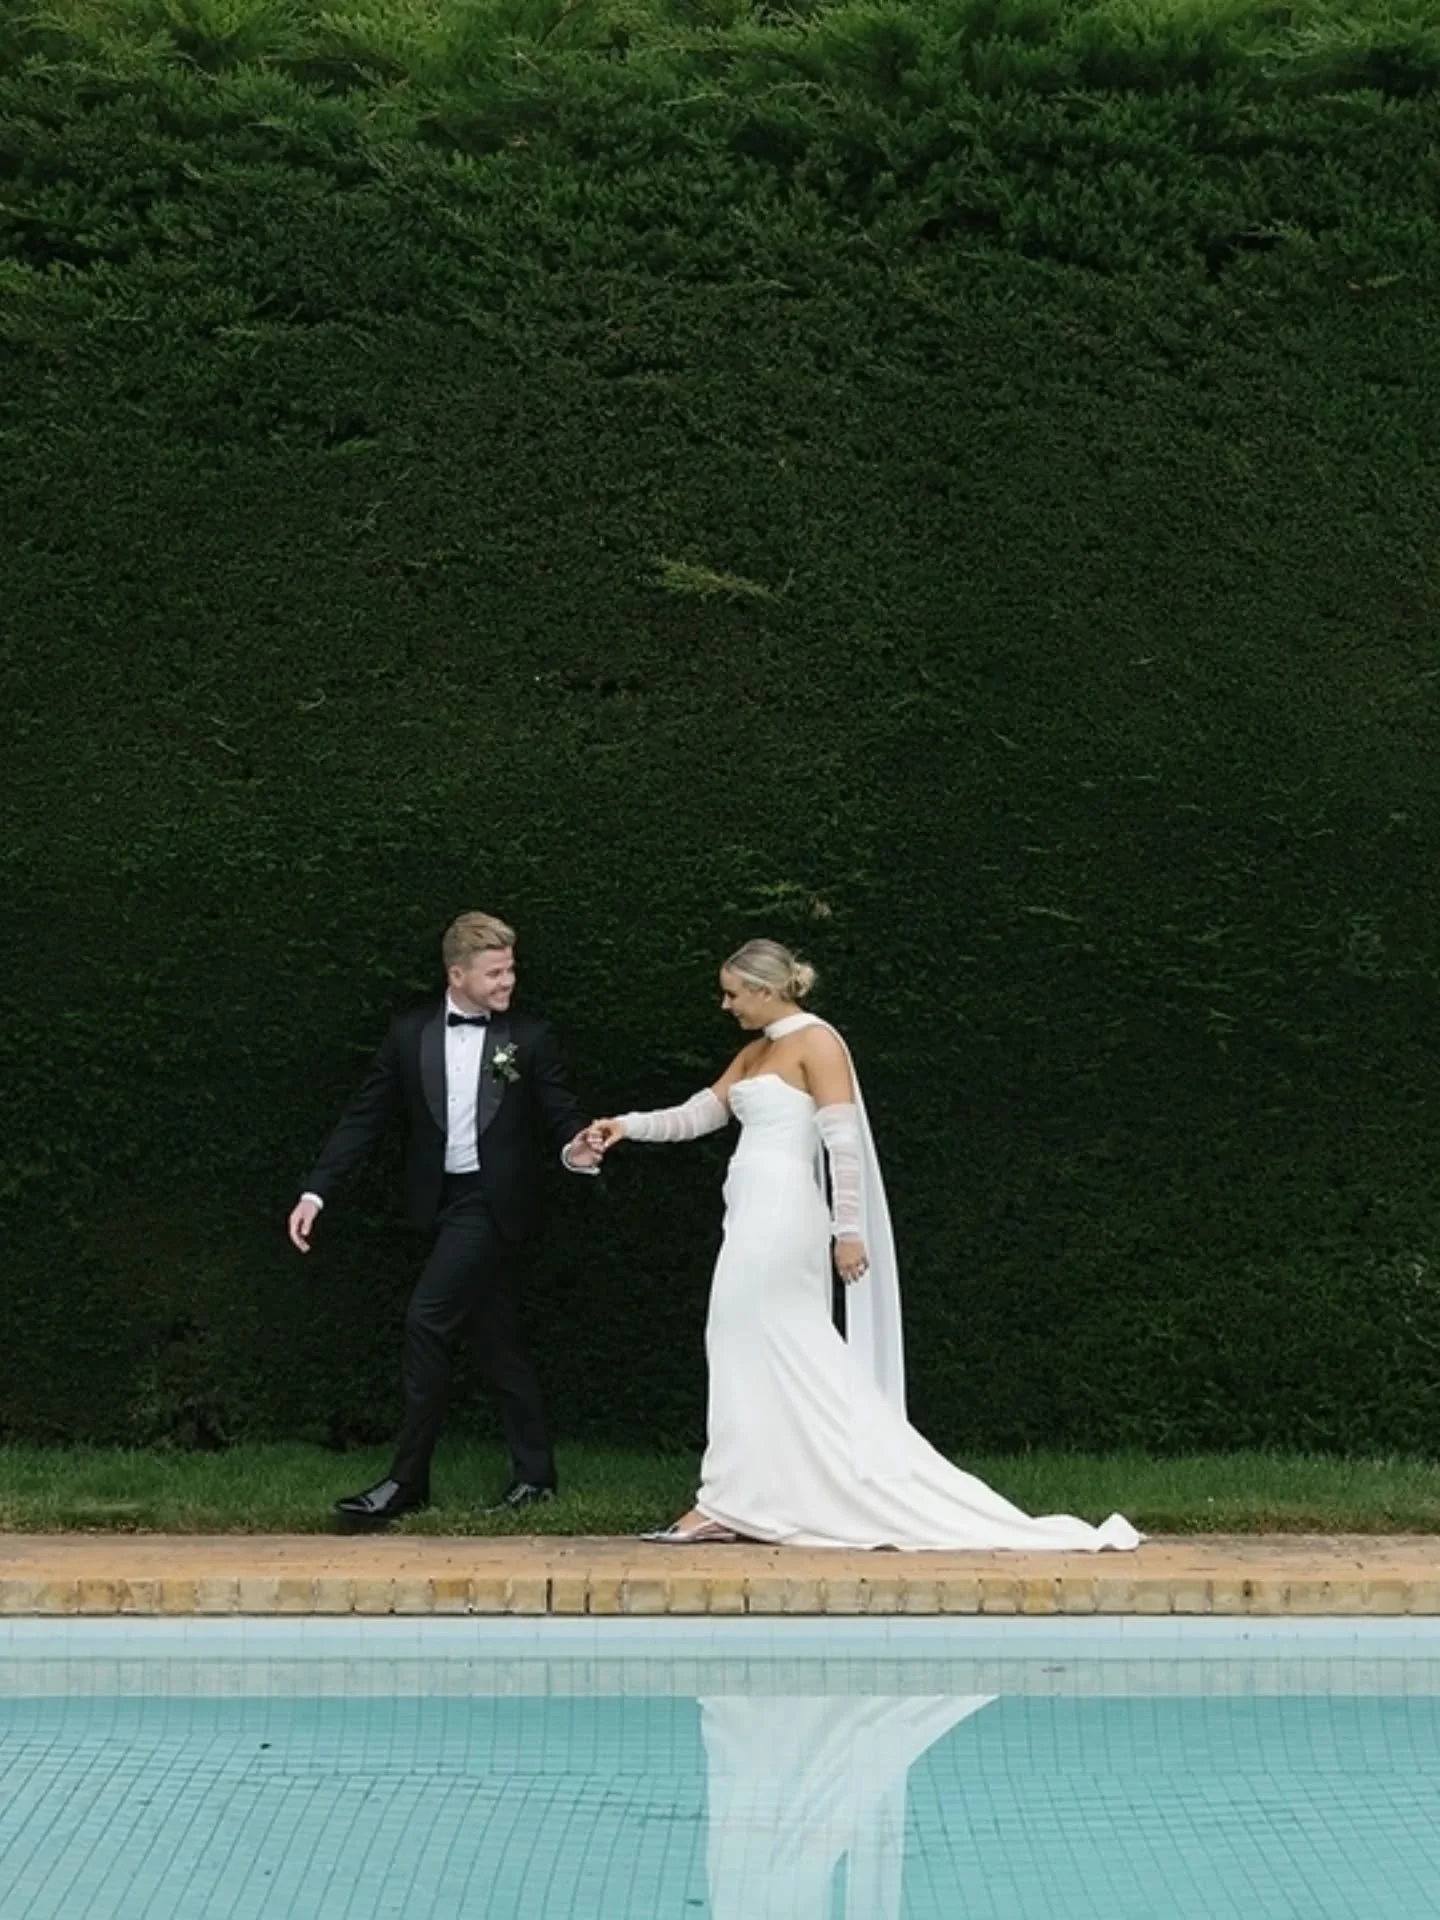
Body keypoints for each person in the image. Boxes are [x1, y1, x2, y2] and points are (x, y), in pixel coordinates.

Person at [591, 939, 1140, 1551]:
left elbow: (843, 1143)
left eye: (733, 993)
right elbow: (698, 1114)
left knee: (744, 1335)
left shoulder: (818, 1042)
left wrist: (847, 1232)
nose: (725, 1005)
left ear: (768, 991)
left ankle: (729, 1500)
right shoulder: (754, 1052)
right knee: (751, 1345)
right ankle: (753, 1494)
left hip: (782, 1214)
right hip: (746, 1212)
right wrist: (626, 1126)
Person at [288, 912, 601, 1524]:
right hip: (441, 1204)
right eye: (495, 972)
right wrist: (315, 1193)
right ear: (456, 974)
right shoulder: (410, 1035)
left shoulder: (530, 1037)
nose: (508, 981)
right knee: (498, 1340)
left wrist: (577, 1149)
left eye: (511, 969)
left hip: (492, 1205)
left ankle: (408, 1482)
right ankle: (535, 1477)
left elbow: (560, 1115)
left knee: (426, 1324)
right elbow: (365, 1117)